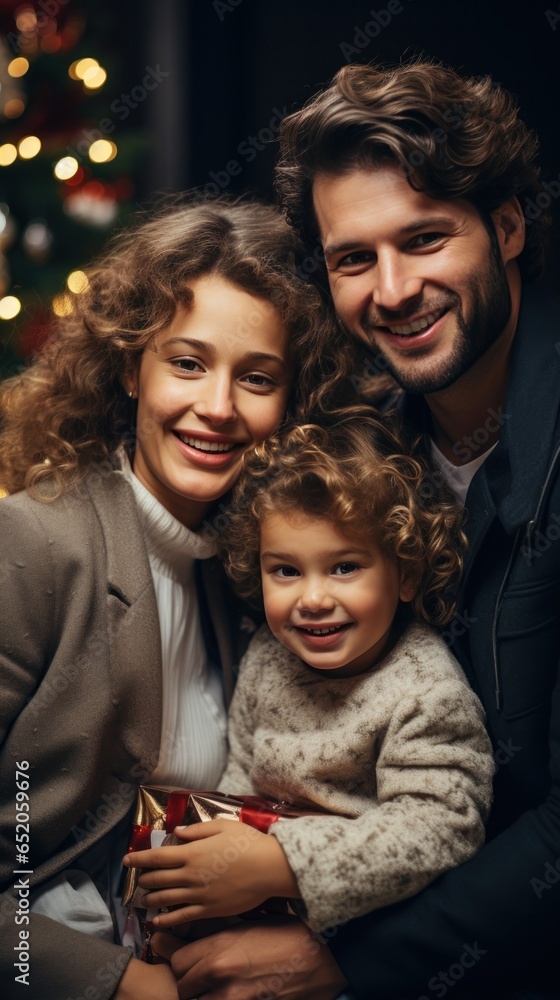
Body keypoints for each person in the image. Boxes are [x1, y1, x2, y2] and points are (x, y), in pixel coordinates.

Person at [156, 62, 560, 1000]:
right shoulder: (361, 447)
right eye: (352, 258)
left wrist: (343, 967)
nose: (393, 290)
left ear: (506, 229)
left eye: (424, 240)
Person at [0, 196, 348, 1000]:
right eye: (187, 363)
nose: (218, 408)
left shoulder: (259, 576)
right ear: (131, 367)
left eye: (256, 378)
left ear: (289, 402)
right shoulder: (33, 545)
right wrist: (111, 982)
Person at [124, 410, 493, 941]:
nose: (313, 599)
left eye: (344, 567)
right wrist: (206, 865)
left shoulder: (426, 690)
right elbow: (239, 778)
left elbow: (441, 827)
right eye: (287, 571)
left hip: (361, 930)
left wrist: (282, 865)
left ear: (406, 574)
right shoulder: (268, 658)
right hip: (254, 906)